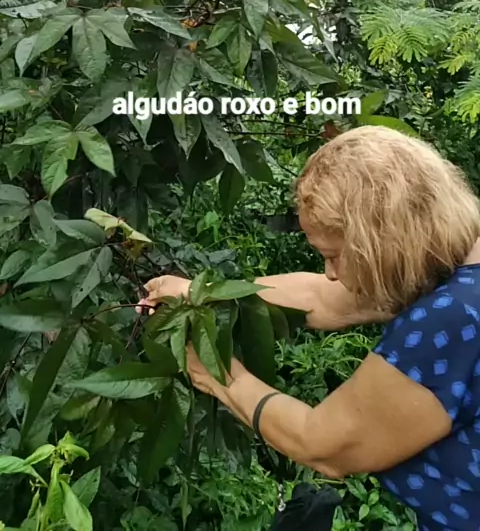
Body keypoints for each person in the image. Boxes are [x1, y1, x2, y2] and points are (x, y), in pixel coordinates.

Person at [137, 126, 480, 531]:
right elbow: (321, 297)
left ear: (379, 243)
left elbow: (322, 444)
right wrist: (200, 293)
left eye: (333, 255)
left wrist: (219, 374)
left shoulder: (448, 321)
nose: (330, 273)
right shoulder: (458, 259)